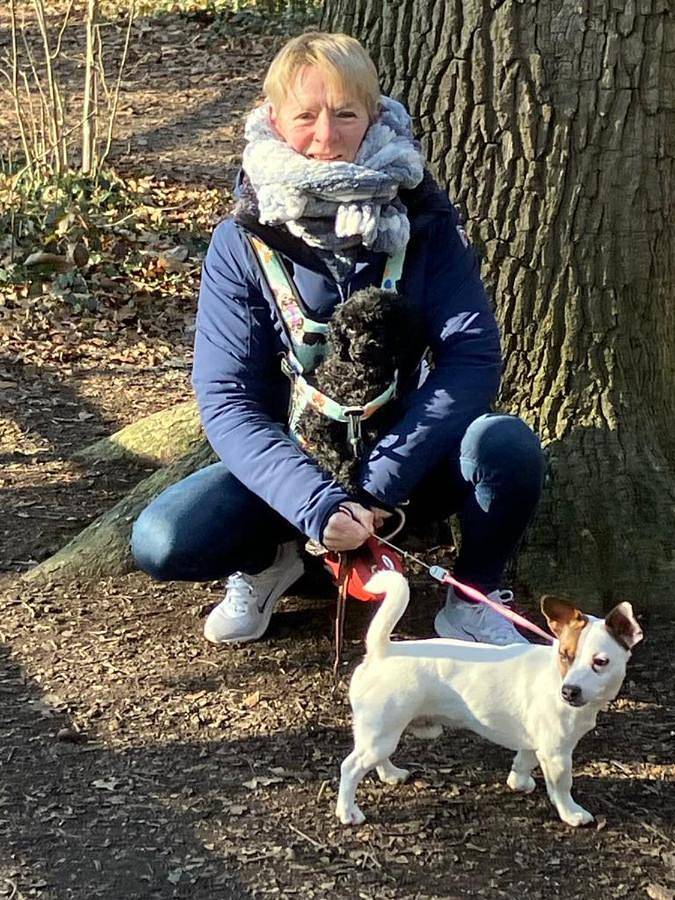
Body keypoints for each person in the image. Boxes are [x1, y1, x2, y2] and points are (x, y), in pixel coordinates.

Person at [131, 32, 544, 647]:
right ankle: (272, 562)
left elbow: (472, 356)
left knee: (505, 446)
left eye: (346, 114)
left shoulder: (424, 220)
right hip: (293, 467)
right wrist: (318, 504)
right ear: (273, 120)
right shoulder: (241, 238)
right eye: (305, 116)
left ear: (374, 116)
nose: (327, 137)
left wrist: (378, 485)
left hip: (406, 466)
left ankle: (470, 598)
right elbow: (227, 397)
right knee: (163, 542)